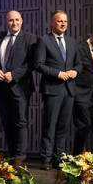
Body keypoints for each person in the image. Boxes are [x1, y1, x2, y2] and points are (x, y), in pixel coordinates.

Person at [35, 10, 80, 170]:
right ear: (52, 23)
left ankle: (58, 159)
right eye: (60, 21)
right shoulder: (44, 41)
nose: (63, 24)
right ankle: (46, 159)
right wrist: (58, 74)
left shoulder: (72, 41)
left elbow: (79, 64)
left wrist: (75, 71)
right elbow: (38, 65)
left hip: (69, 90)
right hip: (52, 89)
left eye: (65, 22)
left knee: (63, 127)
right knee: (49, 126)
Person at [0, 11, 36, 167]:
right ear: (6, 22)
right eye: (11, 20)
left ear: (22, 21)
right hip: (2, 87)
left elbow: (31, 64)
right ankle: (11, 156)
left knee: (21, 122)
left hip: (20, 87)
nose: (14, 23)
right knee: (7, 123)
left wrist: (14, 75)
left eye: (17, 20)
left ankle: (20, 157)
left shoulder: (30, 39)